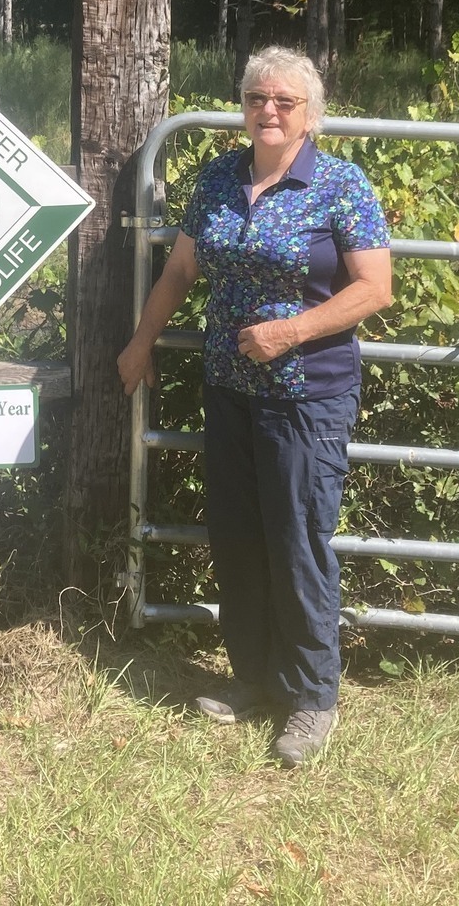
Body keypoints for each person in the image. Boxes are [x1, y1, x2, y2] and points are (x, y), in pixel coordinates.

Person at [117, 46, 393, 768]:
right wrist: (142, 342)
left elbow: (374, 289)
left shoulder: (340, 185)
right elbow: (181, 269)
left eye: (284, 101)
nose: (268, 111)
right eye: (255, 98)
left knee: (298, 543)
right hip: (229, 391)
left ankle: (310, 700)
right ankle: (253, 680)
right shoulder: (216, 179)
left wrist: (293, 331)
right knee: (238, 538)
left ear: (310, 115)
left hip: (308, 397)